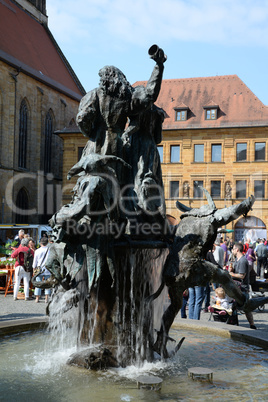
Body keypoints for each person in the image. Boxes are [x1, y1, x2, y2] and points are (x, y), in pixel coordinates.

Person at [229, 242, 256, 329]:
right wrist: (231, 269)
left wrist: (231, 274)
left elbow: (241, 275)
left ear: (237, 249)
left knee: (246, 308)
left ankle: (252, 325)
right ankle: (234, 323)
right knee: (234, 306)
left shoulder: (243, 261)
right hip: (237, 286)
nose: (232, 250)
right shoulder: (237, 260)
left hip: (242, 287)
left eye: (233, 249)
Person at [32, 237, 51, 303]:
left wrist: (34, 269)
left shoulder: (37, 251)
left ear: (40, 243)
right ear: (47, 243)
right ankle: (46, 298)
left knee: (38, 284)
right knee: (47, 284)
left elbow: (35, 262)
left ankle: (37, 298)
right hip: (48, 269)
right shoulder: (50, 250)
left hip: (39, 269)